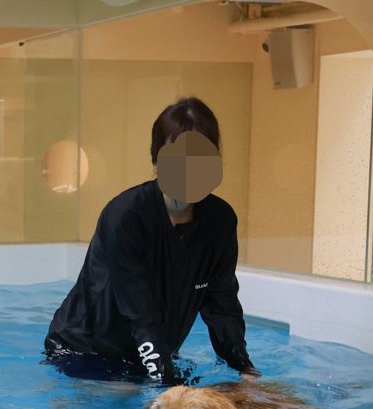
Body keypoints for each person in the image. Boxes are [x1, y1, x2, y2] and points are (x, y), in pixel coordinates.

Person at [45, 97, 260, 384]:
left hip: (150, 353)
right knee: (130, 405)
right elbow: (140, 314)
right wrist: (165, 383)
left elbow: (222, 305)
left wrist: (244, 368)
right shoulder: (126, 216)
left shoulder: (220, 221)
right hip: (85, 352)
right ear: (157, 159)